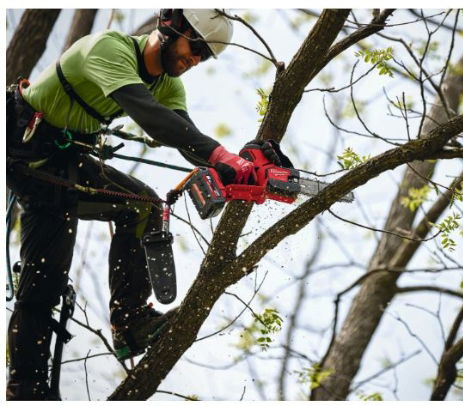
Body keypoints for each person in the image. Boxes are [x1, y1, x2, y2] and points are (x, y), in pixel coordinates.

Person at [6, 9, 279, 400]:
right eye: (195, 47)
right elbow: (151, 117)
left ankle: (131, 323)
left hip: (67, 160)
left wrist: (242, 166)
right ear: (173, 27)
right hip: (26, 149)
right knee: (45, 278)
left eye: (204, 56)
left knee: (142, 205)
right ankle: (24, 387)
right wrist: (221, 155)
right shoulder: (109, 49)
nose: (195, 60)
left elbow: (186, 137)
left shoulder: (169, 85)